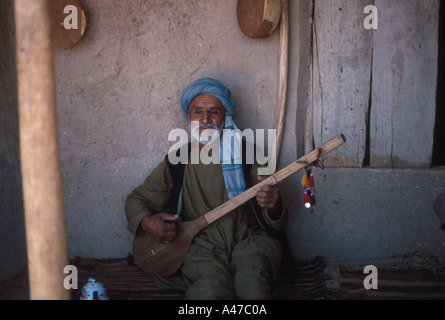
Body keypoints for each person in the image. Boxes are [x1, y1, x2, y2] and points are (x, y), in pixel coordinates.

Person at [125, 78, 287, 300]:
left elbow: (274, 215)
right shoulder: (178, 161)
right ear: (188, 117)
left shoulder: (248, 153)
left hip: (250, 241)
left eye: (214, 112)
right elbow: (136, 199)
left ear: (224, 118)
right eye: (197, 112)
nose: (205, 120)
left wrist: (273, 202)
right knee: (211, 293)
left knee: (254, 289)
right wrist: (147, 222)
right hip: (199, 246)